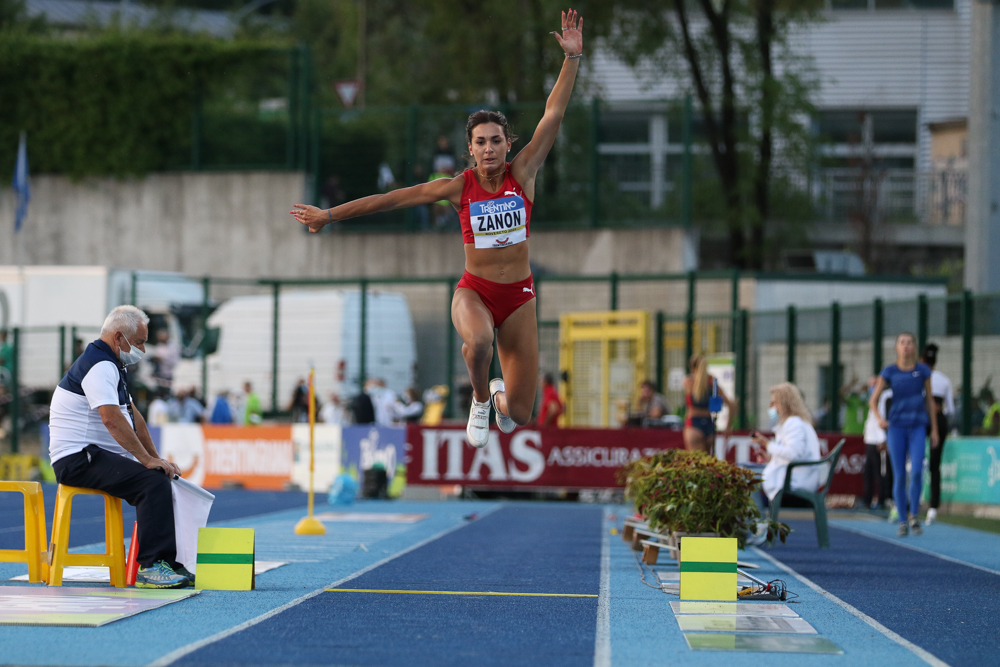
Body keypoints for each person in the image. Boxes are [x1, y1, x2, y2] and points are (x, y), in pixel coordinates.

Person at [292, 11, 583, 449]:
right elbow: (391, 199)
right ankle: (480, 400)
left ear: (508, 144)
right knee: (479, 342)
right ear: (470, 148)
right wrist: (329, 215)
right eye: (481, 142)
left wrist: (572, 59)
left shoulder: (522, 174)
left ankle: (499, 398)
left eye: (496, 141)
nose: (489, 149)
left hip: (520, 297)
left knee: (521, 413)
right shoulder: (457, 187)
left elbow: (553, 114)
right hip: (475, 293)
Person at [47, 305, 190, 589]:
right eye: (139, 342)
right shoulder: (100, 365)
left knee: (159, 474)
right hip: (77, 459)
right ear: (118, 338)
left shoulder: (111, 364)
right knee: (152, 483)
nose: (143, 350)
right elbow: (111, 419)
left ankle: (168, 563)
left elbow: (134, 418)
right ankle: (151, 567)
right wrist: (147, 461)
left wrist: (155, 458)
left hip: (89, 455)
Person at [869, 332, 939, 537]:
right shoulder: (889, 371)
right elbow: (873, 400)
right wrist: (879, 419)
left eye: (909, 342)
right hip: (896, 428)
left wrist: (934, 429)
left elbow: (930, 400)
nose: (906, 346)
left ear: (915, 347)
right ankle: (902, 520)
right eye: (902, 342)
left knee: (916, 471)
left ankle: (914, 515)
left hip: (917, 426)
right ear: (897, 347)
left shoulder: (923, 370)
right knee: (899, 475)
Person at [751, 382, 822, 504]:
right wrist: (770, 458)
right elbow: (793, 454)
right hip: (797, 477)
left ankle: (760, 516)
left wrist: (766, 444)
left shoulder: (794, 423)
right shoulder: (797, 422)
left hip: (796, 482)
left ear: (784, 404)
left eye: (774, 403)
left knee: (745, 477)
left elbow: (793, 454)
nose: (770, 406)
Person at [922, 343, 953, 525]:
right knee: (935, 465)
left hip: (921, 419)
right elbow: (950, 409)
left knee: (914, 460)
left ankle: (908, 502)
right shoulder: (944, 380)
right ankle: (933, 507)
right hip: (939, 420)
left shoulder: (919, 377)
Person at [682, 354, 736, 454]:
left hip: (693, 424)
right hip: (709, 425)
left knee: (696, 460)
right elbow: (732, 405)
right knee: (708, 461)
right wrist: (728, 427)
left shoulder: (689, 382)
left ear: (692, 368)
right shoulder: (712, 383)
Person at [861, 377, 892, 510]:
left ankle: (881, 499)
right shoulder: (875, 400)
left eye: (874, 385)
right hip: (870, 440)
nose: (871, 388)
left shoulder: (883, 399)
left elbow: (882, 421)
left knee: (878, 471)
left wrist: (882, 440)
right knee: (868, 472)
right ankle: (867, 499)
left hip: (877, 441)